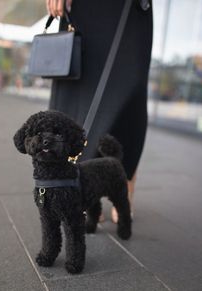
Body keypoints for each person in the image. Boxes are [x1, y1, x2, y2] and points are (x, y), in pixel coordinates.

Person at [46, 0, 153, 222]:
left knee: (130, 92)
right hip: (84, 7)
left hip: (129, 9)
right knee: (78, 87)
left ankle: (124, 183)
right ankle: (82, 186)